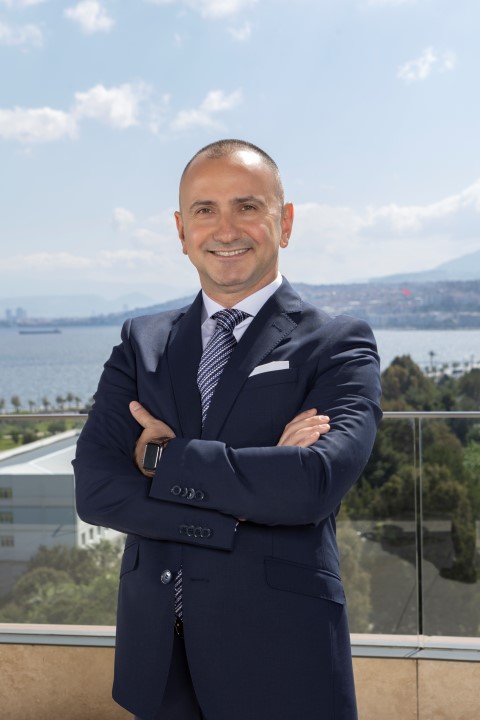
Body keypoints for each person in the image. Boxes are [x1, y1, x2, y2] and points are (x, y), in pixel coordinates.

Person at [73, 139, 382, 720]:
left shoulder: (338, 343)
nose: (225, 229)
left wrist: (161, 458)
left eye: (247, 206)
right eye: (205, 209)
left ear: (285, 222)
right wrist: (238, 510)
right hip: (157, 660)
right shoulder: (141, 343)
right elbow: (96, 490)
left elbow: (311, 484)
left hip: (281, 656)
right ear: (181, 229)